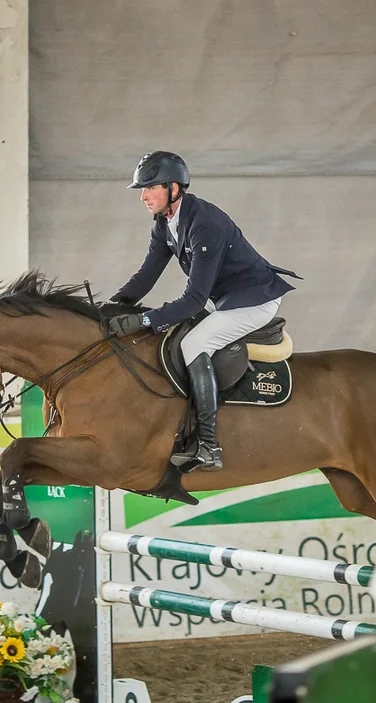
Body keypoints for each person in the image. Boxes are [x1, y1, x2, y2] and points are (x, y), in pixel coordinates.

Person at [106, 151, 301, 471]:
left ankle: (209, 445)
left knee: (193, 343)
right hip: (227, 299)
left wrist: (142, 320)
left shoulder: (204, 223)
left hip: (254, 300)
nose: (142, 196)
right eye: (142, 189)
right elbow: (146, 275)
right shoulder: (165, 222)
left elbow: (193, 300)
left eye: (150, 187)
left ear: (173, 188)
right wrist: (113, 307)